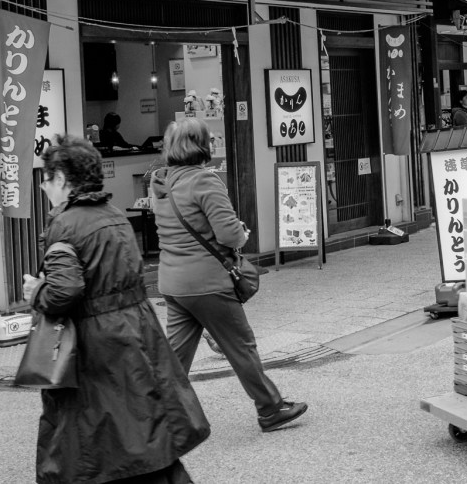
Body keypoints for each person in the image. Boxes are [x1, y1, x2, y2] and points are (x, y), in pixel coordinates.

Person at [23, 136, 206, 484]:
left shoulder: (64, 225)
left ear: (61, 178)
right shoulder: (116, 215)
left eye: (46, 179)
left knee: (96, 445)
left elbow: (65, 291)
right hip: (136, 334)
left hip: (97, 348)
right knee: (144, 431)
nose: (45, 188)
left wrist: (36, 291)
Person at [150, 118, 308, 433]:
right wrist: (242, 233)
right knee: (241, 346)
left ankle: (152, 416)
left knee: (176, 355)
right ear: (202, 145)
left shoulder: (160, 184)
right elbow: (228, 234)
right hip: (207, 283)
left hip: (173, 282)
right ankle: (271, 408)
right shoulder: (204, 182)